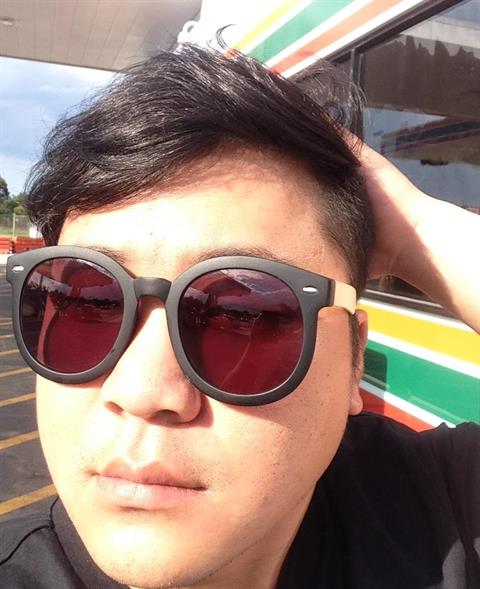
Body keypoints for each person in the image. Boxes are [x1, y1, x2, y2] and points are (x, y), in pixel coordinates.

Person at [1, 44, 479, 589]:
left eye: (240, 310)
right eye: (92, 300)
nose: (142, 392)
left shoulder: (443, 512)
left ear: (354, 362)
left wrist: (418, 229)